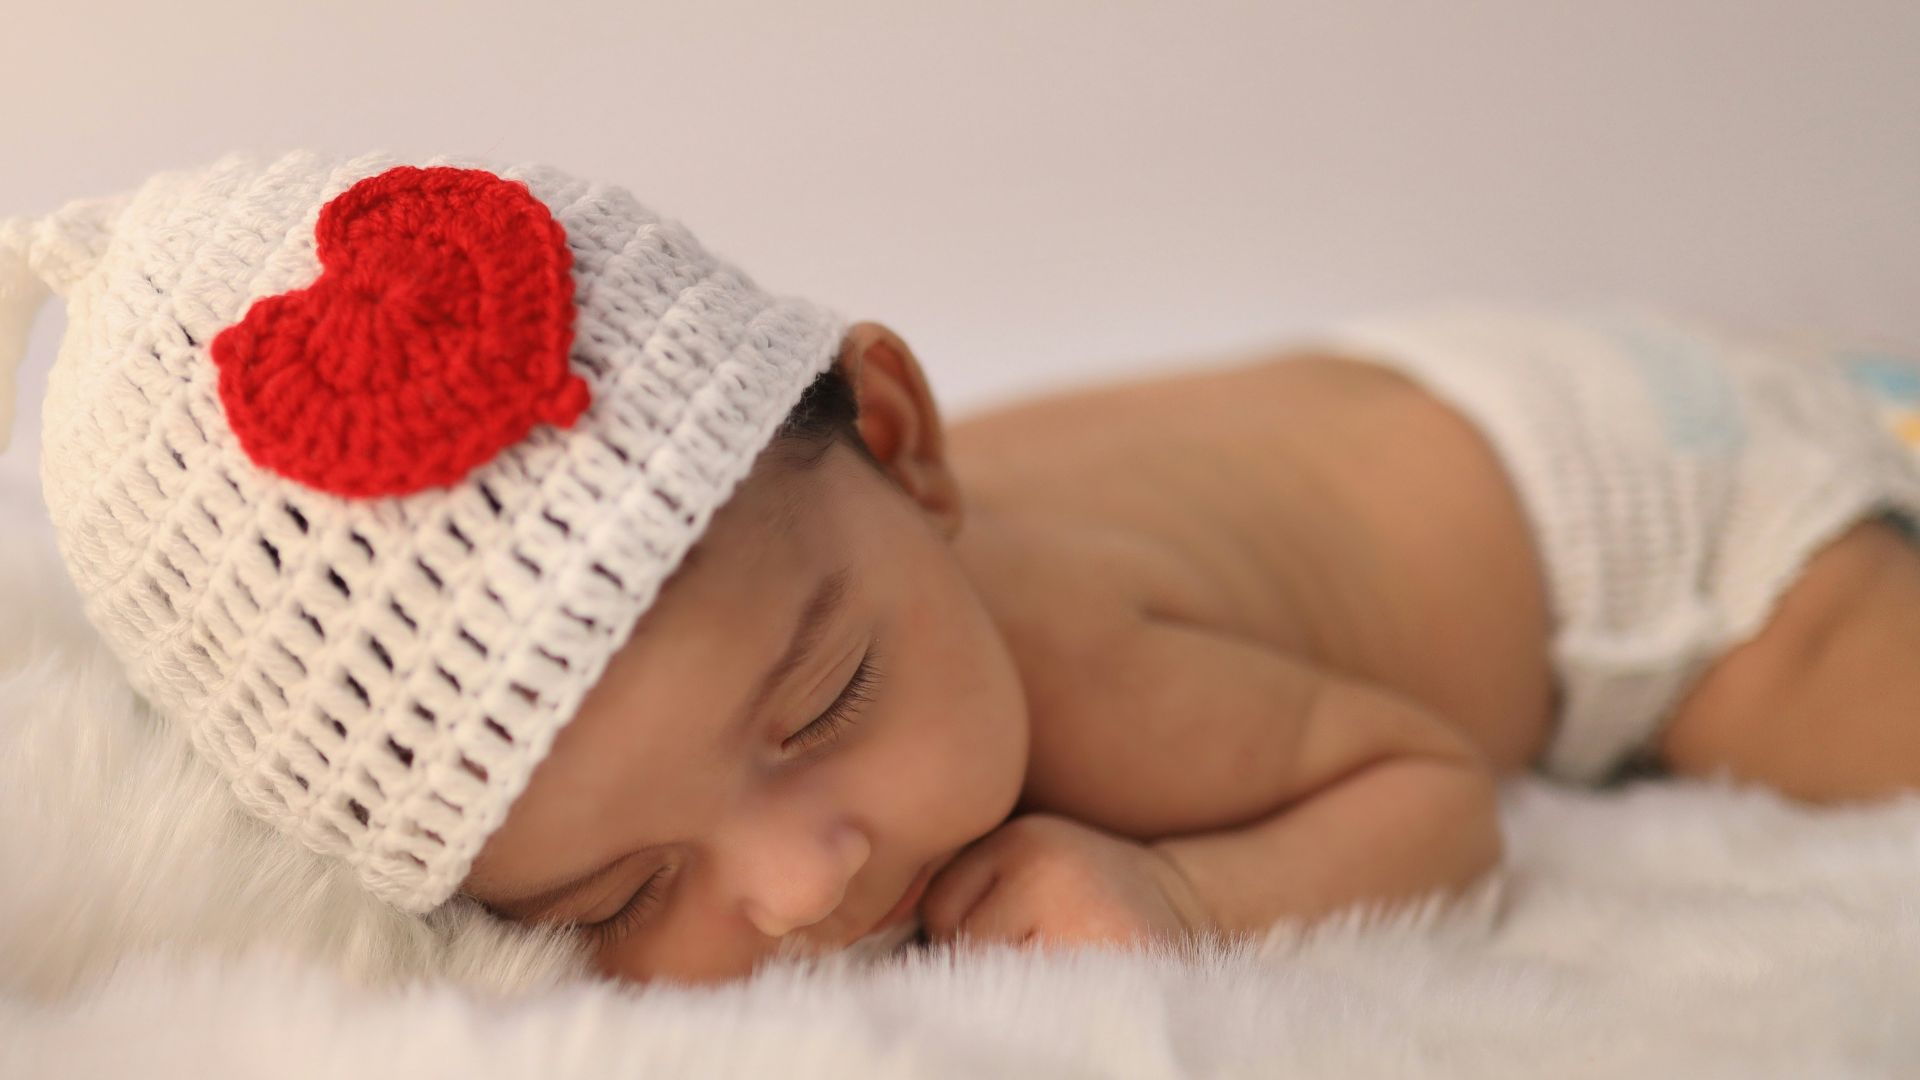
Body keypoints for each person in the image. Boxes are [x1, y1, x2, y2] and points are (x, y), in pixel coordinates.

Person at [5, 150, 1919, 987]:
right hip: (1397, 383)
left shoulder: (1074, 669)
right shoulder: (822, 549)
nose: (804, 882)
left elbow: (1430, 790)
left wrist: (1179, 885)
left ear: (908, 454)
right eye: (613, 895)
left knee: (1848, 702)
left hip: (1649, 503)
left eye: (827, 705)